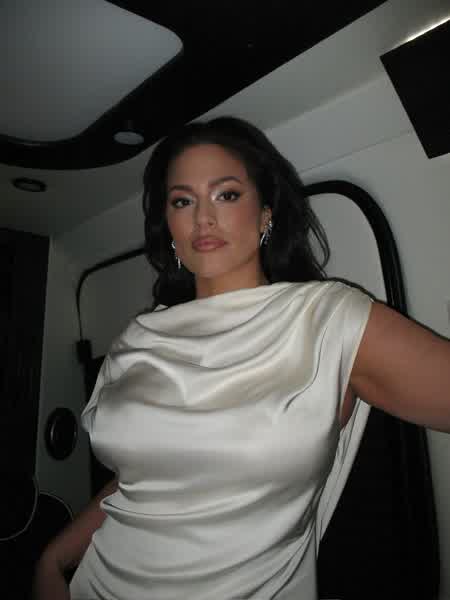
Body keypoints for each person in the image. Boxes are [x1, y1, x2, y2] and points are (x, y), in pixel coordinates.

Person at [33, 117, 450, 599]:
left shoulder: (327, 320)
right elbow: (147, 478)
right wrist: (54, 558)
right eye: (182, 201)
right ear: (169, 224)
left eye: (226, 194)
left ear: (266, 214)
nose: (203, 218)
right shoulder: (138, 338)